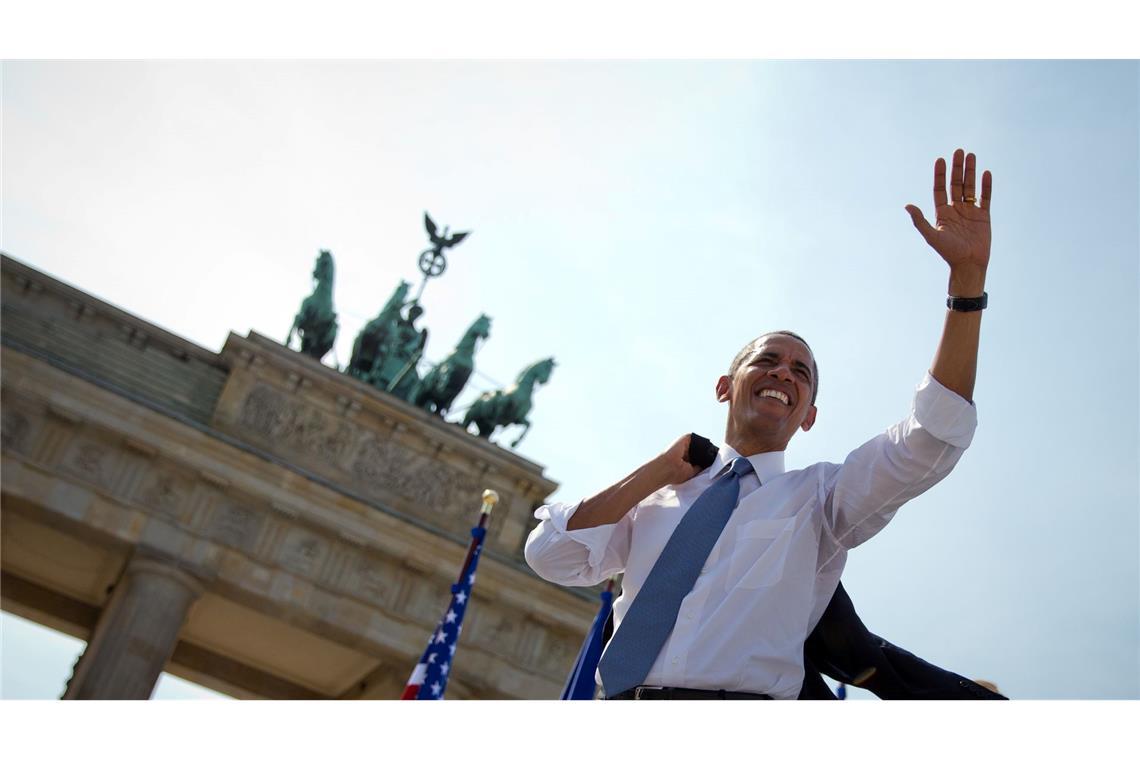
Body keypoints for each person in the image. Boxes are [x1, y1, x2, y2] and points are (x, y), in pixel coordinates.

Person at [525, 148, 996, 700]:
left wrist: (966, 287)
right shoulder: (656, 500)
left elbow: (930, 437)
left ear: (809, 414)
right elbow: (551, 555)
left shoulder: (821, 498)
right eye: (766, 361)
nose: (783, 373)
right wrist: (656, 472)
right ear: (726, 386)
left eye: (801, 372)